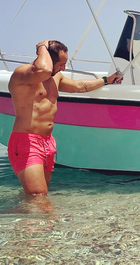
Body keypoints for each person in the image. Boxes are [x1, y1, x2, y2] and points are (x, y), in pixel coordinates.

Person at [7, 39, 121, 197]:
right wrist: (42, 47)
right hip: (26, 141)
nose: (63, 68)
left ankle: (16, 218)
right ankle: (48, 221)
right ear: (48, 59)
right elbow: (44, 70)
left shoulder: (56, 77)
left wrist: (106, 80)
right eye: (60, 64)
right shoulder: (23, 74)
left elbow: (79, 86)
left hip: (47, 142)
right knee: (37, 197)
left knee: (37, 196)